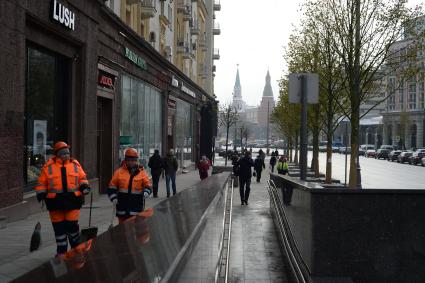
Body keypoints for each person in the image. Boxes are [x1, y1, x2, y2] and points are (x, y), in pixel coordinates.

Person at [35, 141, 90, 256]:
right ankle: (61, 252)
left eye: (68, 153)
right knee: (59, 230)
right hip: (55, 203)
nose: (66, 156)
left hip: (72, 202)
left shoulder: (75, 165)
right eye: (64, 154)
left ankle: (76, 249)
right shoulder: (48, 167)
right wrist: (41, 193)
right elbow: (41, 183)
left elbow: (82, 178)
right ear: (58, 154)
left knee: (72, 227)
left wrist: (85, 186)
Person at [108, 148, 152, 223]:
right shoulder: (119, 172)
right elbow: (112, 186)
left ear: (136, 161)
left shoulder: (142, 173)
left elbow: (148, 185)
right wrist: (113, 198)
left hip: (136, 208)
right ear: (125, 160)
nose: (131, 162)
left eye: (133, 160)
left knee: (135, 230)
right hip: (122, 208)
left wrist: (146, 192)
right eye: (129, 160)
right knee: (122, 230)